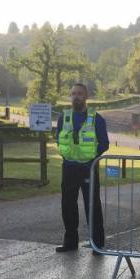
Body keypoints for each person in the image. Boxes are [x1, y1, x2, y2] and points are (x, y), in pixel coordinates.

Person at [54, 83, 109, 255]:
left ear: (86, 97)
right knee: (68, 206)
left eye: (79, 94)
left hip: (88, 168)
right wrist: (69, 155)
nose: (75, 96)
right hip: (69, 168)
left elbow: (104, 143)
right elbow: (59, 139)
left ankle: (97, 244)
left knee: (92, 206)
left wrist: (90, 157)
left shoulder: (97, 118)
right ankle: (70, 242)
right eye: (73, 94)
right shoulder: (64, 117)